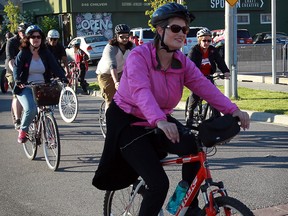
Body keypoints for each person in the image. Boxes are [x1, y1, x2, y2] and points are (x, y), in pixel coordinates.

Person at [92, 3, 250, 216]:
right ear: (160, 30)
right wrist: (160, 120)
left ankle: (185, 206)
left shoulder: (181, 62)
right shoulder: (139, 56)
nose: (182, 33)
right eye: (176, 28)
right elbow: (141, 91)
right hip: (128, 122)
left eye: (185, 29)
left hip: (157, 118)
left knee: (193, 148)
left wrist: (233, 110)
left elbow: (203, 86)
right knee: (158, 184)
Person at [13, 25, 68, 143]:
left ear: (41, 39)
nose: (36, 39)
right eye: (33, 36)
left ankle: (47, 132)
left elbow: (55, 66)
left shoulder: (45, 52)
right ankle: (23, 130)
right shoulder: (23, 53)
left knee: (48, 110)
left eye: (38, 36)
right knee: (31, 109)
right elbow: (17, 69)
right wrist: (18, 81)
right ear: (28, 39)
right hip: (26, 87)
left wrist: (63, 77)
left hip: (43, 87)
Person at [186, 27, 230, 127]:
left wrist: (226, 71)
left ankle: (218, 121)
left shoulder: (212, 50)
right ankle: (190, 116)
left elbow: (220, 61)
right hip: (196, 77)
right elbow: (189, 65)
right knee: (195, 96)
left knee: (214, 98)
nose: (206, 43)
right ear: (199, 40)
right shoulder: (194, 51)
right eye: (204, 40)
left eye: (209, 40)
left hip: (208, 76)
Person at [96, 24, 134, 110]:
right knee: (110, 100)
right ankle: (108, 121)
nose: (125, 39)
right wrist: (116, 82)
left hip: (121, 72)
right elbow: (112, 66)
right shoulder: (110, 48)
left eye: (127, 37)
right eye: (122, 37)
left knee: (128, 97)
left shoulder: (131, 46)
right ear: (116, 36)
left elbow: (138, 59)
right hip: (106, 74)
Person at [5, 22, 29, 130]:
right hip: (12, 70)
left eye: (26, 32)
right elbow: (11, 60)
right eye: (22, 32)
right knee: (17, 94)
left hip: (27, 71)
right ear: (18, 32)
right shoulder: (11, 42)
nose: (24, 34)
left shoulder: (31, 42)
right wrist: (16, 75)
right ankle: (18, 120)